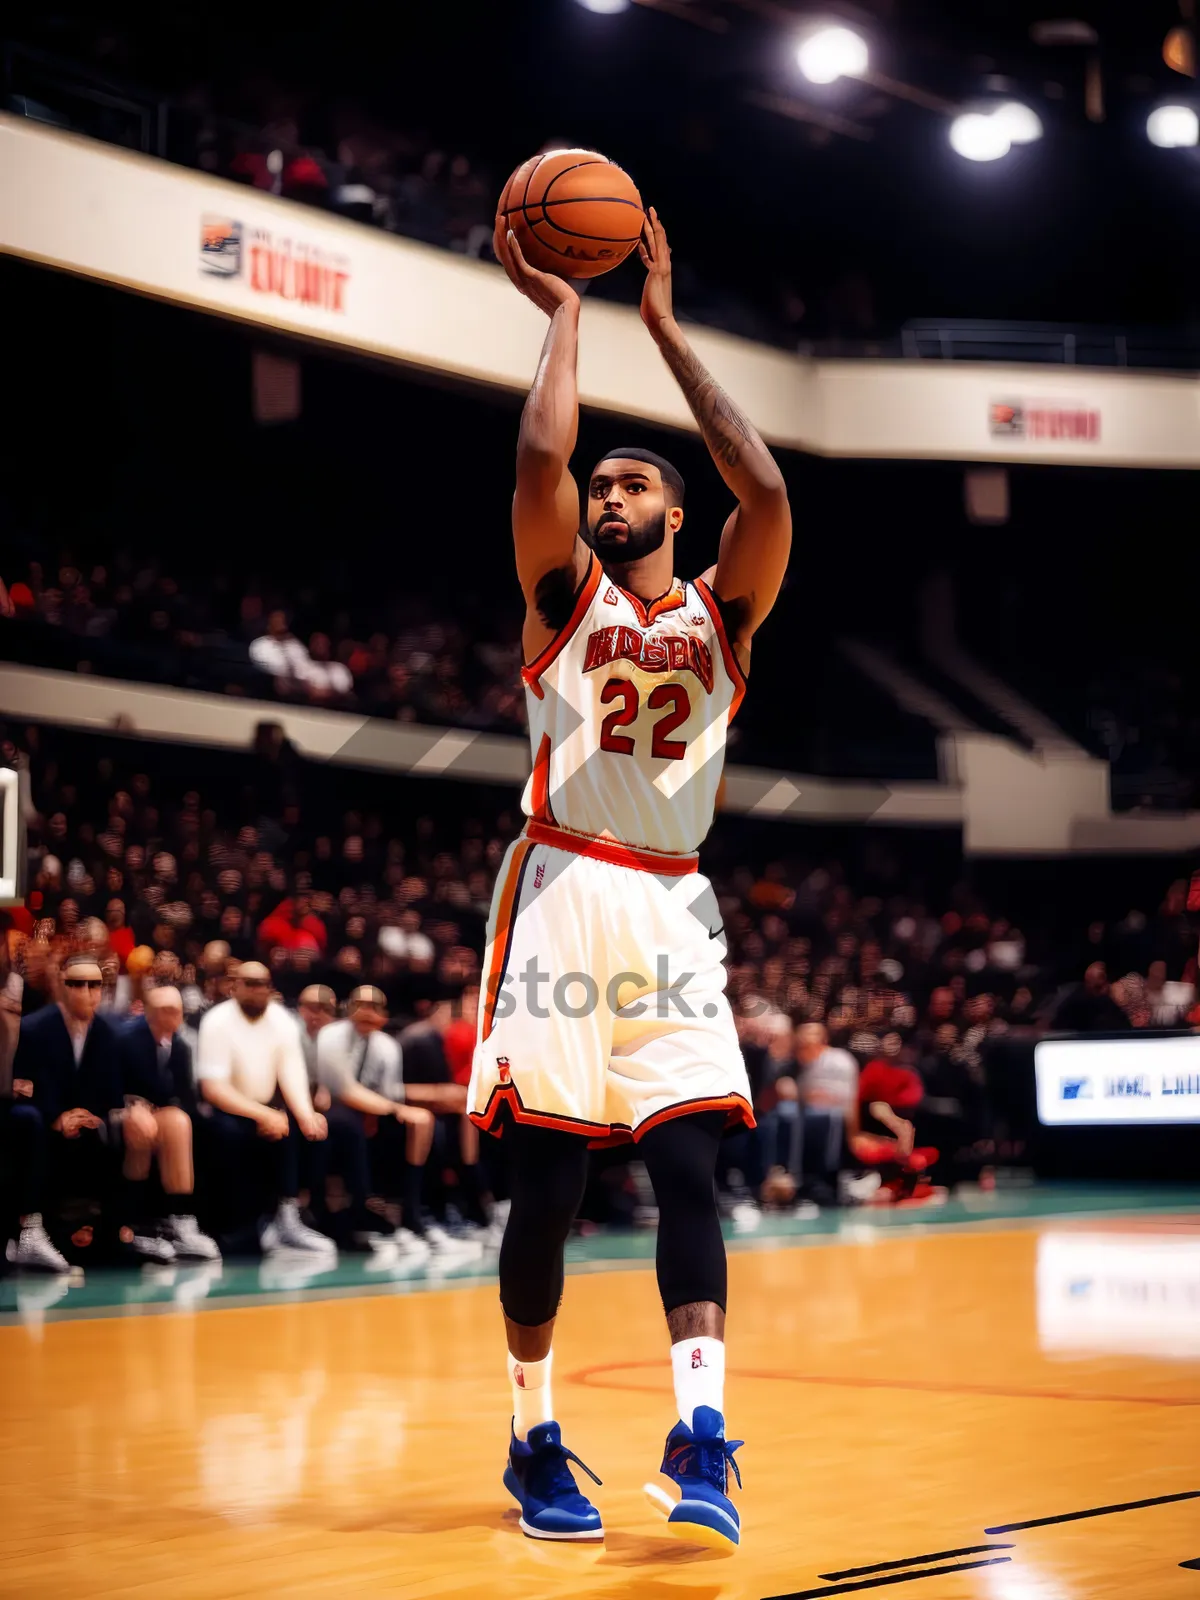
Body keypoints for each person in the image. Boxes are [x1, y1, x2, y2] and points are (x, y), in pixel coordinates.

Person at [470, 209, 791, 1546]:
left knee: (693, 1168)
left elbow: (766, 495)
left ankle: (702, 1433)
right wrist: (567, 314)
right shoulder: (563, 601)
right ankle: (533, 1434)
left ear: (674, 512)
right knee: (547, 1189)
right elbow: (541, 449)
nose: (607, 497)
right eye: (601, 489)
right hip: (559, 887)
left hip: (671, 899)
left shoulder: (723, 610)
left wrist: (665, 329)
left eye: (632, 487)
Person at [196, 961, 333, 1256]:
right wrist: (262, 1114)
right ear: (235, 986)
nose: (258, 991)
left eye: (263, 984)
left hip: (267, 1106)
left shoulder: (282, 1020)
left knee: (312, 1128)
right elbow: (213, 1088)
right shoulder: (217, 1021)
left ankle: (287, 1220)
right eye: (251, 984)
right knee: (229, 1134)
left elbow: (291, 1071)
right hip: (225, 1108)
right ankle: (237, 1231)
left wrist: (306, 1114)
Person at [314, 985, 454, 1262]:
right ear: (348, 1007)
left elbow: (390, 1093)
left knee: (424, 1123)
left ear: (384, 1014)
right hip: (331, 1108)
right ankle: (362, 1219)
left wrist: (391, 1111)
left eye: (374, 1006)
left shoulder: (388, 1046)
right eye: (360, 1004)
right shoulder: (331, 1035)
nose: (366, 1011)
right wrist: (393, 1109)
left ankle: (413, 1216)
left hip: (371, 1110)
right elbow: (343, 1089)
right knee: (349, 1125)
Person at [7, 955, 124, 1270]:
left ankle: (123, 1231)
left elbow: (112, 1092)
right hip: (45, 1118)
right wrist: (57, 1116)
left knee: (122, 1125)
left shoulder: (110, 1034)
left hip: (88, 1121)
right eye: (77, 984)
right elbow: (24, 1086)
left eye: (94, 985)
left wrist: (88, 1114)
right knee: (28, 1120)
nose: (86, 992)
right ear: (63, 986)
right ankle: (30, 1230)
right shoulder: (35, 1028)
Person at [118, 987, 220, 1261]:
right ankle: (135, 1226)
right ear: (149, 1013)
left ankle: (181, 1221)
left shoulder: (181, 1045)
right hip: (118, 1110)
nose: (176, 1015)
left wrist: (164, 1108)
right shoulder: (125, 1040)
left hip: (158, 1112)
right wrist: (131, 1106)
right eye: (167, 1010)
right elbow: (109, 1084)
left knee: (179, 1122)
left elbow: (185, 1097)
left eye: (178, 1010)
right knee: (141, 1126)